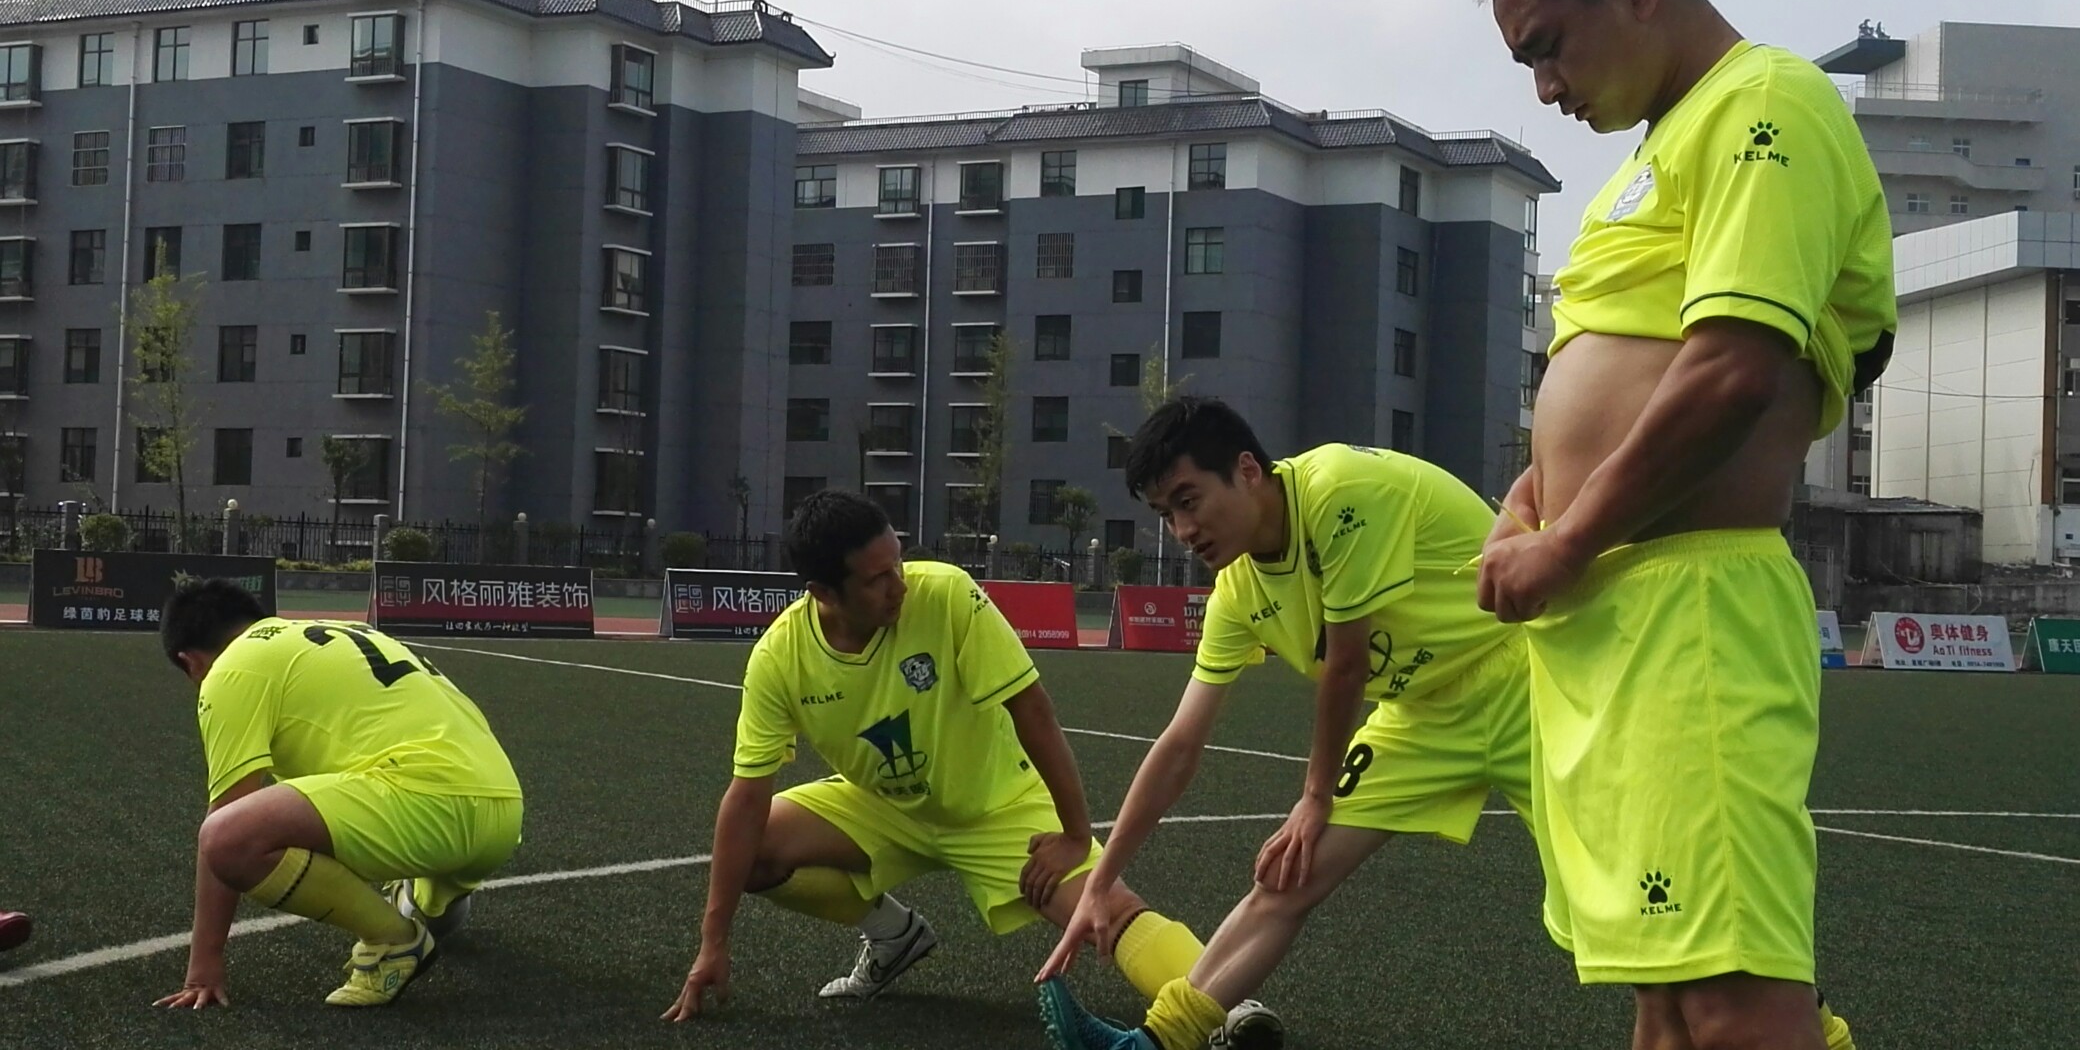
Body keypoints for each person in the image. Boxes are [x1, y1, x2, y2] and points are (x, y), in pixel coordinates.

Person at [1475, 0, 1894, 1047]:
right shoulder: (1645, 162)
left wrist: (1566, 538)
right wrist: (1526, 501)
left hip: (1692, 614)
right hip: (1617, 624)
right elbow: (1605, 369)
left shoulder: (1766, 102)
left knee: (1727, 1000)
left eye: (1546, 48)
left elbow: (1732, 370)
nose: (1544, 87)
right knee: (1664, 997)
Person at [662, 489, 1276, 1046]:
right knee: (754, 848)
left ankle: (1223, 1002)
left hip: (996, 805)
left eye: (898, 564)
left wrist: (1072, 832)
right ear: (824, 592)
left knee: (1105, 911)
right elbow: (745, 798)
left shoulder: (947, 594)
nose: (899, 586)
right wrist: (713, 943)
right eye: (877, 579)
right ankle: (893, 934)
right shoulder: (779, 657)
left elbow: (1033, 711)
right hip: (881, 806)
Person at [1033, 400, 1536, 1050]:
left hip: (1526, 677)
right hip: (1424, 714)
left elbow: (1347, 664)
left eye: (1188, 500)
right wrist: (1099, 884)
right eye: (1165, 514)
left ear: (1247, 470)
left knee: (1617, 895)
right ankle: (1154, 1044)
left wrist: (1315, 797)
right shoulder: (1237, 590)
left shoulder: (1339, 493)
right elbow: (1180, 744)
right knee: (1287, 875)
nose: (1182, 530)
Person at [153, 579, 524, 1009]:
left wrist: (203, 966)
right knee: (431, 910)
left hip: (428, 804)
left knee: (227, 838)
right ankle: (429, 902)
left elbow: (225, 820)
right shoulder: (339, 632)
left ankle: (393, 941)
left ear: (191, 662)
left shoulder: (233, 668)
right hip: (502, 813)